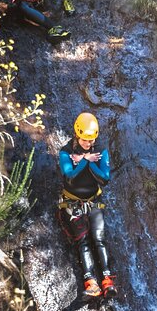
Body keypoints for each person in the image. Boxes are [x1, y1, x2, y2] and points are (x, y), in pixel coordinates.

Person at [57, 112, 117, 298]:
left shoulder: (100, 151)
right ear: (77, 134)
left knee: (99, 239)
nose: (88, 144)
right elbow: (70, 177)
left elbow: (105, 179)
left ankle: (108, 281)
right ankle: (91, 283)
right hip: (72, 203)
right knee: (82, 241)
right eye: (85, 140)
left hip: (94, 202)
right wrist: (86, 160)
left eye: (91, 140)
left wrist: (87, 162)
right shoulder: (65, 151)